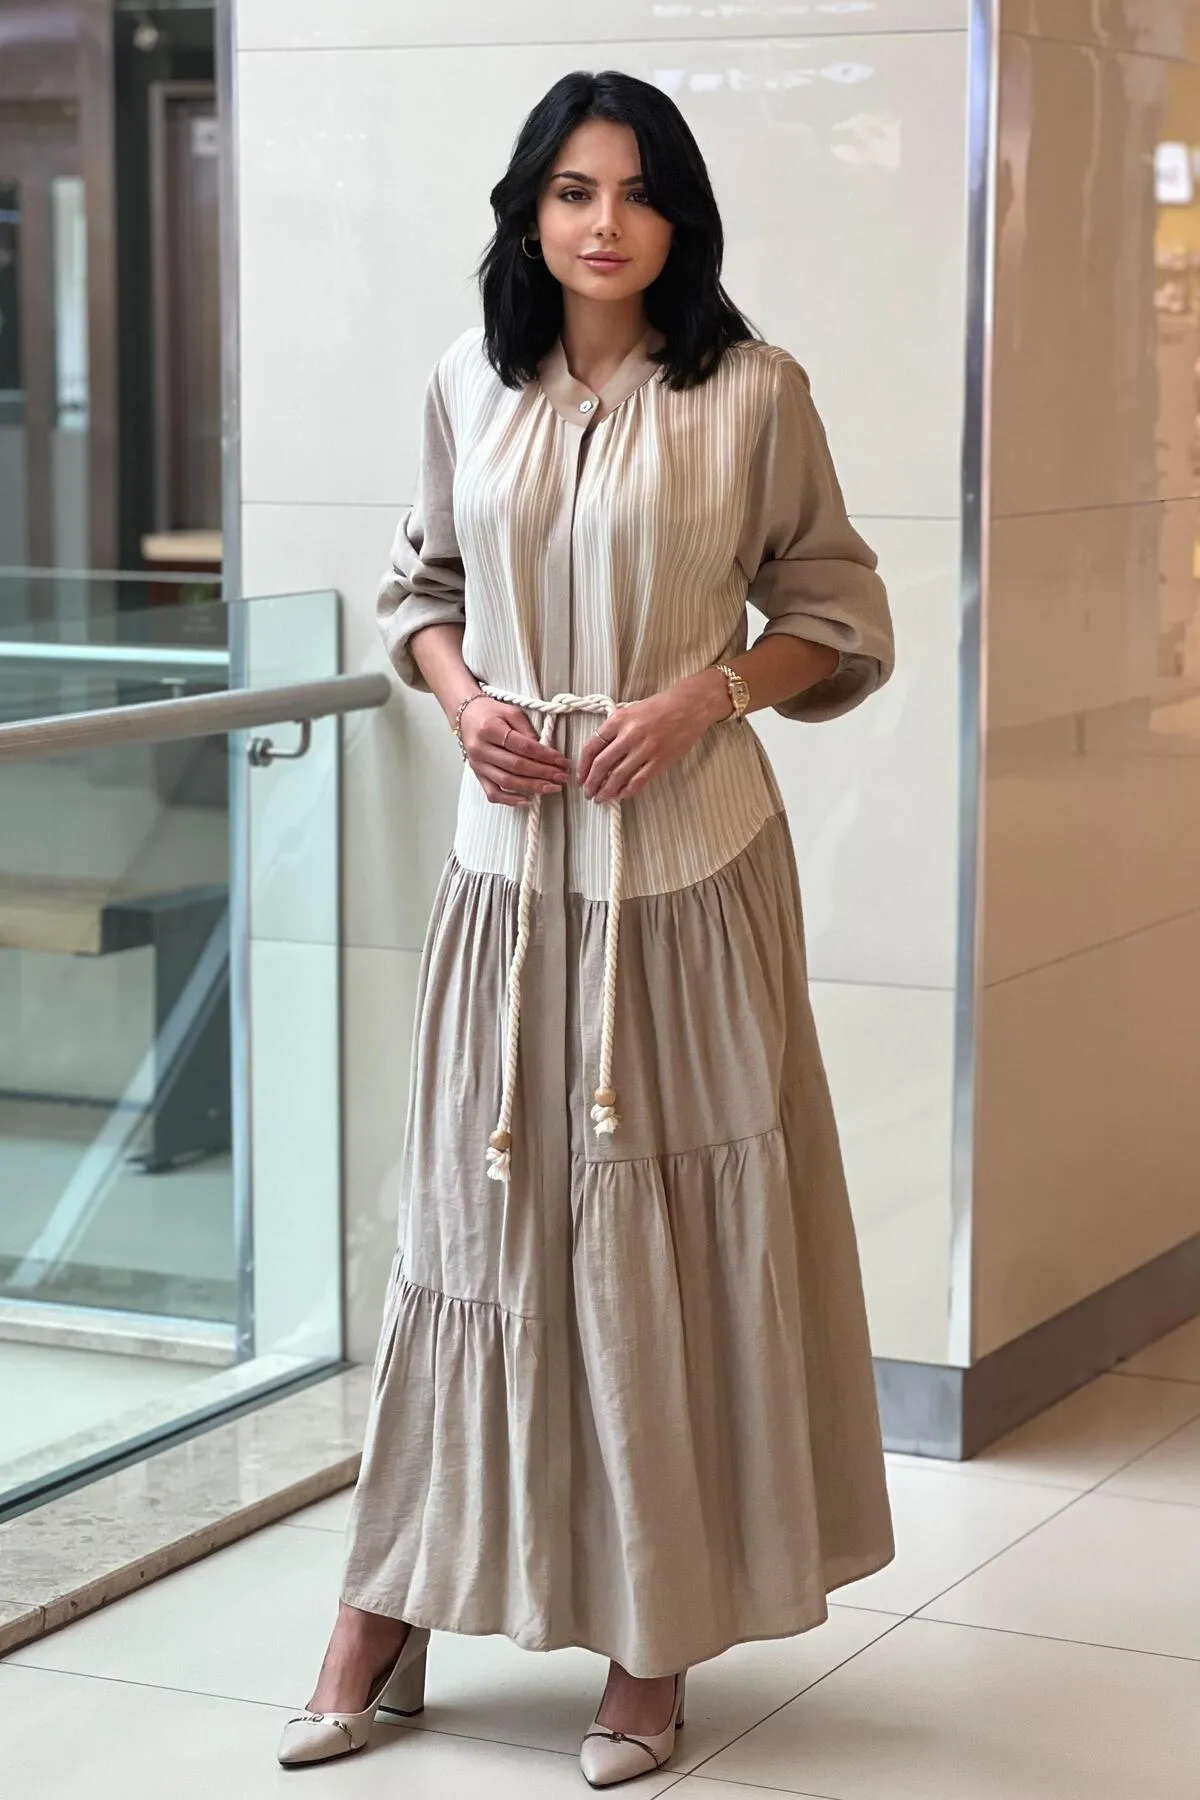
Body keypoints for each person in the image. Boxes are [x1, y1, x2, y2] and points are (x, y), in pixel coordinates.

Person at [279, 67, 895, 1790]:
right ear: (530, 213)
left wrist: (708, 695)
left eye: (633, 190)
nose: (603, 222)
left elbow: (839, 613)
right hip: (507, 881)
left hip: (689, 884)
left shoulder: (756, 392)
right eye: (570, 190)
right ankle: (384, 1610)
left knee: (661, 1237)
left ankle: (651, 1633)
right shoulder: (466, 381)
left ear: (679, 215)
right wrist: (465, 699)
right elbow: (421, 589)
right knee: (468, 1234)